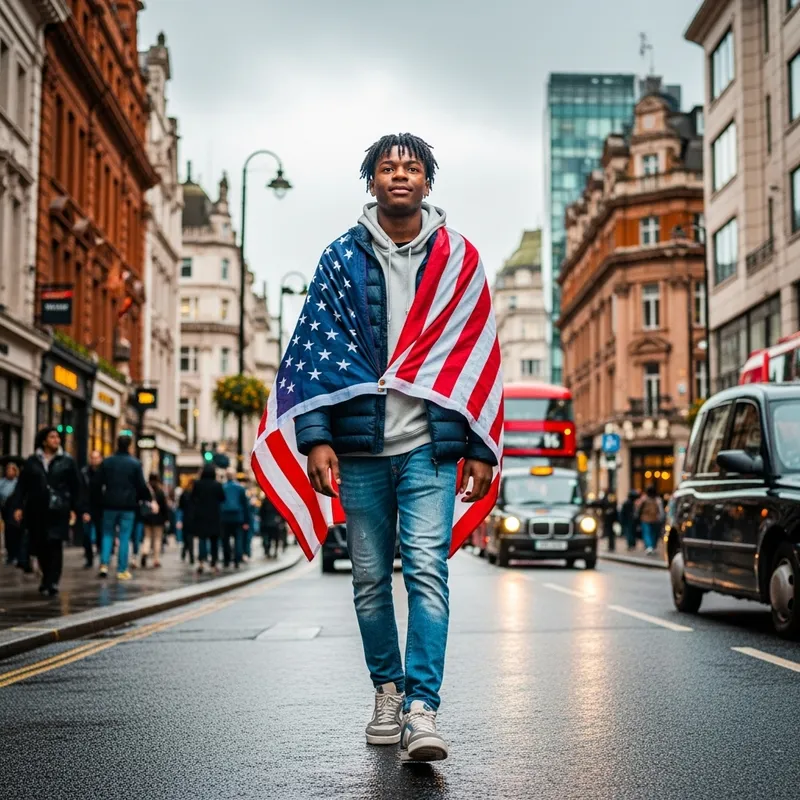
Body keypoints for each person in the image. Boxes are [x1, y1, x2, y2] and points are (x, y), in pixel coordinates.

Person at [294, 134, 497, 762]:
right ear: (372, 182)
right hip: (359, 447)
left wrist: (480, 445)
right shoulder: (338, 258)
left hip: (429, 447)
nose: (400, 175)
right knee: (369, 581)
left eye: (411, 167)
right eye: (388, 167)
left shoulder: (461, 259)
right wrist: (316, 437)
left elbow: (476, 354)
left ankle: (421, 708)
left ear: (428, 183)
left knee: (429, 574)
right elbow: (312, 353)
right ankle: (387, 689)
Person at [11, 427, 81, 596]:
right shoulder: (32, 461)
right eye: (52, 437)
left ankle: (53, 582)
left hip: (59, 510)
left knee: (55, 545)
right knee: (41, 545)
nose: (56, 440)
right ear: (44, 441)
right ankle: (46, 579)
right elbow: (22, 486)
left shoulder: (67, 461)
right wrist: (18, 506)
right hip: (37, 510)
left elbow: (76, 487)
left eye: (57, 437)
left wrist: (75, 509)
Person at [95, 435, 150, 580]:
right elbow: (141, 485)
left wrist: (100, 500)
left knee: (107, 534)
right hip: (128, 506)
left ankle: (104, 565)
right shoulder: (135, 464)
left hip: (109, 504)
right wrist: (147, 499)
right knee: (125, 537)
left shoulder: (107, 462)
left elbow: (97, 483)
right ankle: (122, 569)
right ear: (130, 446)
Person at [190, 464, 224, 574]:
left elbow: (192, 498)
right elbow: (222, 498)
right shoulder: (217, 485)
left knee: (202, 539)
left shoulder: (197, 484)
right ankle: (214, 563)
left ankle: (201, 562)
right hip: (214, 515)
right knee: (214, 541)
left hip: (201, 515)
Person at [220, 468, 251, 569]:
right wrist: (246, 521)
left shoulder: (223, 487)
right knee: (238, 539)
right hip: (238, 517)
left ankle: (226, 560)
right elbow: (245, 505)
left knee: (225, 540)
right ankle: (237, 560)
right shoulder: (240, 488)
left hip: (224, 517)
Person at [80, 450, 104, 568]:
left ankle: (102, 558)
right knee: (86, 535)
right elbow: (82, 492)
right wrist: (84, 510)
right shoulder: (84, 473)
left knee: (101, 534)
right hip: (88, 508)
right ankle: (89, 558)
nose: (94, 460)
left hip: (101, 509)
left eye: (96, 458)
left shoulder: (104, 472)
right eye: (92, 458)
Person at [140, 473, 169, 568]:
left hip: (147, 517)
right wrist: (166, 518)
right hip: (158, 518)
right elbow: (164, 507)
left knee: (147, 537)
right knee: (157, 539)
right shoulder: (160, 491)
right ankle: (156, 560)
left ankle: (145, 551)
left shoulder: (145, 490)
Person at [1, 462, 20, 565]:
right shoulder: (2, 483)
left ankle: (15, 554)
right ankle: (10, 555)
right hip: (5, 510)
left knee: (15, 532)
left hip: (14, 510)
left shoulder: (17, 483)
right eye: (8, 470)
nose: (9, 472)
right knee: (7, 533)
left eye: (11, 470)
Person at [637, 484, 664, 555]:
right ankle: (652, 546)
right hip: (655, 518)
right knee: (653, 533)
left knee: (647, 533)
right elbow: (661, 510)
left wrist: (638, 516)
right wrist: (661, 517)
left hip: (645, 518)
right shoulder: (657, 499)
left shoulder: (644, 499)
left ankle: (649, 546)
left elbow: (639, 509)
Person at [258, 492, 283, 559]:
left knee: (268, 538)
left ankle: (268, 552)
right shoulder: (276, 501)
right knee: (276, 539)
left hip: (267, 524)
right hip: (275, 524)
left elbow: (260, 513)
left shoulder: (264, 502)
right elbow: (280, 512)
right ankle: (275, 552)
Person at [177, 479, 195, 564]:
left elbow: (180, 507)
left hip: (186, 517)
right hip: (193, 518)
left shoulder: (184, 493)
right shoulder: (195, 494)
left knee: (187, 537)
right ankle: (190, 556)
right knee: (189, 538)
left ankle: (184, 553)